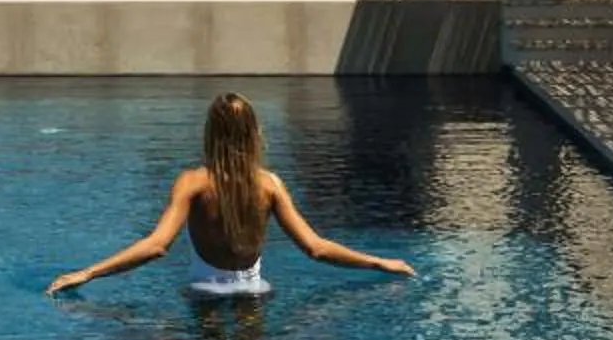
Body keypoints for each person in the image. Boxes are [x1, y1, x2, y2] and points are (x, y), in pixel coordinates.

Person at [48, 90, 414, 298]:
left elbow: (157, 245)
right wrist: (380, 263)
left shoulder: (192, 183)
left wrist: (89, 272)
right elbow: (315, 247)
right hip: (256, 292)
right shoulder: (269, 184)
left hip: (204, 291)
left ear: (209, 133)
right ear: (254, 133)